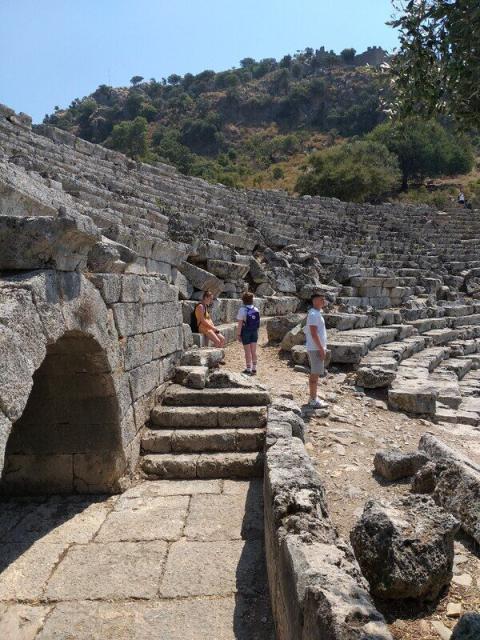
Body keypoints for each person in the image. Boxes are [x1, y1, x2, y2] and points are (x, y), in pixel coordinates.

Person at [304, 293, 328, 408]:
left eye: (324, 299)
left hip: (315, 347)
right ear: (314, 301)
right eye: (321, 299)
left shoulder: (316, 313)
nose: (324, 301)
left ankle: (313, 397)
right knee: (315, 374)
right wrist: (321, 349)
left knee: (315, 374)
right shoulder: (313, 314)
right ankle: (313, 400)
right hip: (315, 348)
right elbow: (314, 333)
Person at [236, 291, 260, 375]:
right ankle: (254, 368)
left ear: (243, 300)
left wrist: (238, 334)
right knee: (253, 351)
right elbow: (257, 323)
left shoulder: (242, 310)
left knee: (247, 351)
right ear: (252, 300)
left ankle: (248, 368)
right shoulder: (256, 309)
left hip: (246, 332)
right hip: (254, 332)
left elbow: (240, 324)